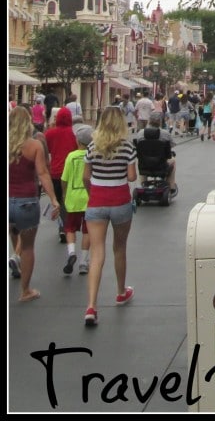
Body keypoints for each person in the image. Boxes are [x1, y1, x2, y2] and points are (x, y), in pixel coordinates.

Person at [82, 106, 137, 327]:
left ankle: (92, 306)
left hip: (96, 202)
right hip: (120, 201)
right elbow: (132, 177)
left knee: (97, 253)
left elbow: (86, 176)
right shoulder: (127, 146)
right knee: (119, 248)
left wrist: (92, 193)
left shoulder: (93, 146)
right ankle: (121, 292)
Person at [9, 105, 61, 301]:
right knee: (28, 246)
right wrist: (54, 199)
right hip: (27, 202)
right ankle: (25, 290)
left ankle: (16, 261)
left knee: (13, 231)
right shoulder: (34, 145)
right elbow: (42, 174)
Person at [60, 125, 93, 276]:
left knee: (70, 228)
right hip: (88, 198)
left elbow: (64, 178)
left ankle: (72, 252)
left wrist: (64, 193)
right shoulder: (92, 155)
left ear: (77, 141)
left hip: (72, 198)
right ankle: (83, 262)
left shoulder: (71, 156)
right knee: (87, 231)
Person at [45, 106, 79, 242]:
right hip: (70, 172)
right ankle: (67, 227)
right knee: (67, 200)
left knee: (58, 200)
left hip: (55, 172)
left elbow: (45, 149)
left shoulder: (50, 133)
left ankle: (62, 226)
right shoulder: (73, 133)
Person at [135, 112, 177, 191]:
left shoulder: (140, 133)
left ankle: (143, 183)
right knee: (173, 161)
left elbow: (137, 145)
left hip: (145, 164)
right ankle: (171, 186)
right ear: (160, 121)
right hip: (161, 163)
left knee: (141, 160)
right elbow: (172, 144)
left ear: (149, 121)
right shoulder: (165, 133)